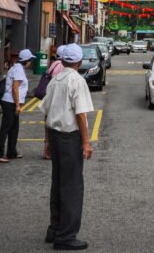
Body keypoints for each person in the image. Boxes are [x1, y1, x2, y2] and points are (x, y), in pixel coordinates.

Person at [40, 43, 94, 251]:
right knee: (72, 187)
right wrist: (86, 142)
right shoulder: (77, 81)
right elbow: (81, 114)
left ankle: (54, 229)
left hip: (54, 135)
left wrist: (47, 142)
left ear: (61, 61)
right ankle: (66, 236)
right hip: (69, 138)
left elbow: (46, 113)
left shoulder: (55, 80)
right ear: (79, 62)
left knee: (58, 184)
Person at [0, 48, 35, 163]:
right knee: (5, 128)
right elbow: (15, 88)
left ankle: (12, 152)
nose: (31, 62)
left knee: (14, 128)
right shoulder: (19, 70)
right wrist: (17, 105)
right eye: (30, 60)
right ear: (27, 60)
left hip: (10, 102)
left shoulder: (15, 67)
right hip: (10, 102)